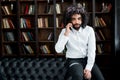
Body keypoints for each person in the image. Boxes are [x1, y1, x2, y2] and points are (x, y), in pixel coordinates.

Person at [55, 5, 105, 80]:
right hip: (73, 60)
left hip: (87, 59)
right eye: (73, 19)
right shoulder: (64, 32)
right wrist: (66, 34)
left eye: (79, 19)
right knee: (78, 76)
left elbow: (92, 50)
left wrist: (88, 69)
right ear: (69, 20)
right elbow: (58, 49)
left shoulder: (89, 30)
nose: (77, 22)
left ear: (83, 19)